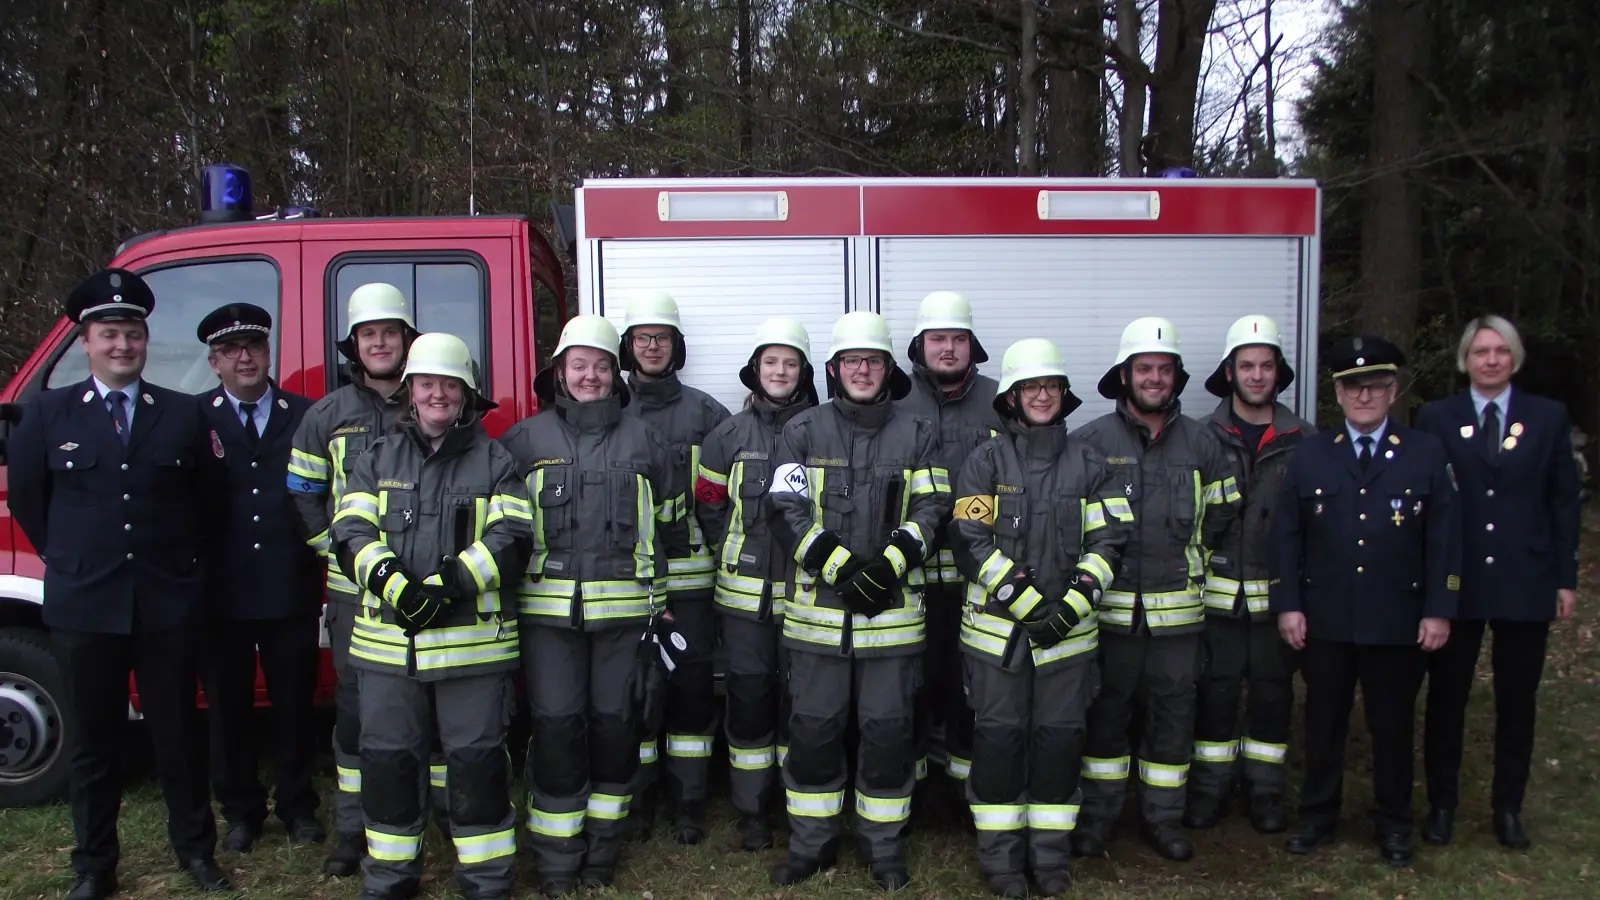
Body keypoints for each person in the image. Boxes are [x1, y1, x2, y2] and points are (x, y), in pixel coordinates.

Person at [8, 269, 233, 898]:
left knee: (178, 737)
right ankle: (94, 867)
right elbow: (29, 501)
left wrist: (183, 571)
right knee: (94, 744)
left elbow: (210, 505)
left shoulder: (183, 413)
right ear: (85, 342)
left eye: (132, 333)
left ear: (145, 339)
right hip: (85, 606)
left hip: (165, 604)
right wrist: (72, 559)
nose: (122, 345)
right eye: (109, 334)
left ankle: (196, 854)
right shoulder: (47, 413)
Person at [330, 333, 529, 900]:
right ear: (409, 391)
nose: (437, 394)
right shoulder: (375, 459)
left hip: (472, 653)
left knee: (477, 767)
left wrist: (448, 584)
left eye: (449, 384)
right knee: (389, 767)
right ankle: (390, 878)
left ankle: (487, 881)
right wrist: (395, 585)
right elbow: (350, 532)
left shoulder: (495, 460)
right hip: (389, 653)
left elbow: (513, 538)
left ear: (466, 394)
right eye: (426, 383)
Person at [766, 311, 952, 891]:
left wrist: (890, 564)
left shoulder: (919, 433)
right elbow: (785, 511)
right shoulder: (801, 431)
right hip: (817, 623)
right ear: (833, 369)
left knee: (889, 733)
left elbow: (934, 509)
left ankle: (883, 847)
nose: (863, 370)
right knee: (813, 732)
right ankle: (810, 846)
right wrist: (841, 568)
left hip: (892, 624)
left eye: (873, 360)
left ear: (888, 368)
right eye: (852, 361)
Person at [499, 315, 680, 898]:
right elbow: (503, 534)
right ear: (559, 372)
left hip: (626, 620)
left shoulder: (646, 441)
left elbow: (670, 524)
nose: (590, 376)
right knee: (555, 727)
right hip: (549, 621)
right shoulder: (523, 442)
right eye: (579, 365)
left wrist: (661, 603)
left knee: (615, 726)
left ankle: (602, 849)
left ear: (615, 374)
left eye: (601, 366)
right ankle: (557, 857)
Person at [951, 338, 1133, 899]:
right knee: (999, 743)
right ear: (1011, 397)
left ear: (1063, 393)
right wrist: (1027, 603)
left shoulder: (1092, 464)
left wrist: (1073, 605)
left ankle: (1050, 856)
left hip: (1068, 642)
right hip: (998, 641)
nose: (1042, 395)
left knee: (1058, 742)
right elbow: (970, 539)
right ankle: (1002, 860)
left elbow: (1110, 541)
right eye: (1031, 387)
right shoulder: (983, 463)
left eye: (1051, 386)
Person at [1272, 334, 1461, 868]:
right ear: (1337, 393)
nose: (1364, 396)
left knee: (1392, 727)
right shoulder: (1311, 453)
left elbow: (1445, 540)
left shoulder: (1425, 452)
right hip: (1325, 618)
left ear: (1393, 391)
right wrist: (1288, 603)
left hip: (1397, 618)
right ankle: (1317, 817)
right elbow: (1287, 536)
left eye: (1375, 386)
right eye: (1353, 386)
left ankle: (1395, 823)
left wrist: (1439, 608)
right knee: (1323, 724)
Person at [1072, 317, 1239, 862]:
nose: (1154, 378)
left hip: (1178, 622)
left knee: (1173, 720)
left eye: (1165, 370)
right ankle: (1098, 819)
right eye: (1144, 368)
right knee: (1105, 718)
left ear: (1177, 377)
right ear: (1124, 375)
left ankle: (1163, 820)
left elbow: (1221, 516)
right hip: (1108, 617)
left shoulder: (1205, 444)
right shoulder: (1090, 443)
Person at [1415, 315, 1582, 850]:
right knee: (1447, 698)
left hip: (1525, 577)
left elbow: (1563, 500)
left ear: (1515, 357)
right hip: (1457, 579)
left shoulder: (1547, 417)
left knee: (1517, 701)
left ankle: (1508, 807)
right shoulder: (1437, 417)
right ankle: (1442, 805)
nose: (1491, 360)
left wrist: (1565, 577)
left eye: (1500, 351)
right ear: (1465, 360)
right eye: (1481, 352)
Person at [286, 282, 432, 876]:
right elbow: (304, 493)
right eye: (369, 334)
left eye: (389, 332)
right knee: (356, 713)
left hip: (424, 590)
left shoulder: (431, 399)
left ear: (406, 339)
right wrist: (339, 554)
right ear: (354, 345)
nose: (380, 343)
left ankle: (437, 817)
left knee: (430, 705)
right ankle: (353, 828)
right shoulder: (326, 416)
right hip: (356, 598)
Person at [194, 303, 324, 852]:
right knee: (228, 709)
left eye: (253, 346)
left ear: (269, 353)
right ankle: (241, 811)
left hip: (288, 584)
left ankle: (298, 806)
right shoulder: (193, 418)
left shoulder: (306, 414)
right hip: (219, 591)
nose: (243, 357)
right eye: (230, 350)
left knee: (295, 705)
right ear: (214, 362)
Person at [693, 317, 820, 852]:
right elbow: (709, 505)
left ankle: (797, 803)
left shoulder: (822, 431)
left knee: (800, 701)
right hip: (743, 602)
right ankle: (752, 811)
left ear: (804, 372)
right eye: (771, 362)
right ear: (755, 369)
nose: (780, 372)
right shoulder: (726, 437)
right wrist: (734, 552)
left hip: (807, 597)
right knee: (748, 699)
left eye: (790, 363)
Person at [1186, 315, 1313, 834]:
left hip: (1276, 603)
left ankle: (1265, 792)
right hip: (1213, 600)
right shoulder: (1201, 438)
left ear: (1278, 373)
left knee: (1272, 696)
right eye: (1247, 366)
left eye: (1266, 366)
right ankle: (1210, 789)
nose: (1257, 375)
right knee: (1214, 694)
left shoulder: (1304, 440)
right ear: (1229, 372)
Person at [615, 291, 731, 844]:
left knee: (690, 691)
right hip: (626, 583)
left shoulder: (708, 414)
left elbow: (728, 494)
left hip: (690, 581)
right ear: (628, 347)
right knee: (633, 692)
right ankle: (639, 803)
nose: (652, 346)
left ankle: (689, 804)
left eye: (661, 337)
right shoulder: (610, 411)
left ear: (676, 346)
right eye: (642, 337)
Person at [895, 291, 1003, 806]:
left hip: (977, 580)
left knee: (970, 691)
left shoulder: (1002, 402)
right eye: (938, 338)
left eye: (958, 339)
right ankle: (913, 792)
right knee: (910, 688)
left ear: (972, 345)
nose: (948, 348)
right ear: (919, 345)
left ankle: (963, 794)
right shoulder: (894, 402)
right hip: (910, 579)